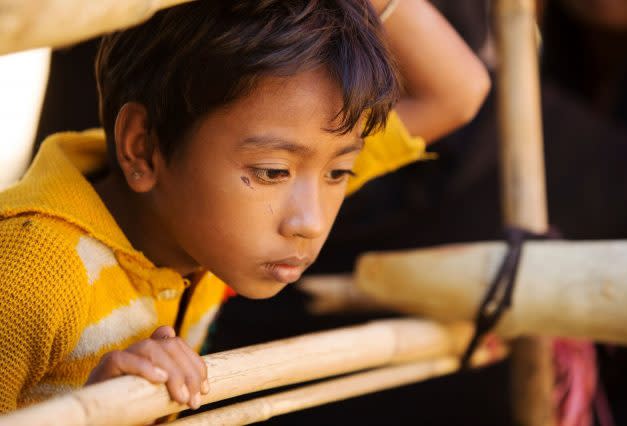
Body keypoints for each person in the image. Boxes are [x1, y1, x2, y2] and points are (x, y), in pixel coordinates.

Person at [0, 0, 489, 415]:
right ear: (142, 147)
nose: (310, 222)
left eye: (340, 173)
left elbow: (459, 92)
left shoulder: (201, 228)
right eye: (272, 173)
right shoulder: (32, 275)